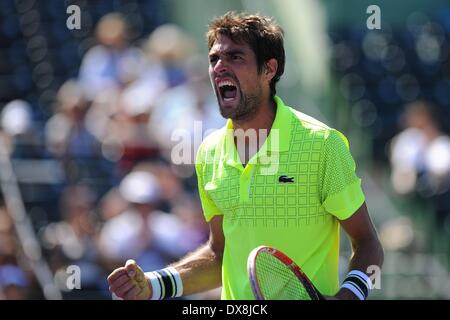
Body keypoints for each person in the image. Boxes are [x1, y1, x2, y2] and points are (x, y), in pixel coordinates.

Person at [107, 12, 384, 300]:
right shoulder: (209, 153)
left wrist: (349, 296)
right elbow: (220, 254)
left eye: (235, 58)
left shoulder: (323, 145)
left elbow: (367, 243)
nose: (220, 68)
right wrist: (153, 284)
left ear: (269, 69)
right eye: (214, 59)